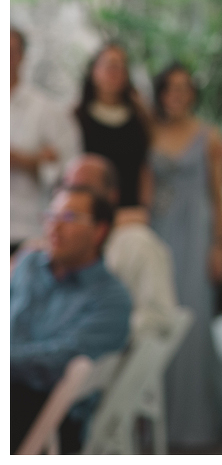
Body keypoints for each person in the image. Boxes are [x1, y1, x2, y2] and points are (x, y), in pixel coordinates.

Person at [149, 62, 222, 448]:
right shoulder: (149, 131)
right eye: (170, 87)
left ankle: (191, 423)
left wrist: (219, 246)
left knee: (192, 319)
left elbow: (218, 196)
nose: (176, 95)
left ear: (192, 94)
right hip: (157, 232)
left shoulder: (209, 136)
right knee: (155, 316)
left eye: (184, 88)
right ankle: (154, 418)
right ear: (161, 93)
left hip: (195, 236)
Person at [10, 185, 132, 454]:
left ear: (99, 231)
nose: (54, 227)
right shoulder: (29, 265)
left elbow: (60, 361)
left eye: (68, 218)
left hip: (49, 415)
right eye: (51, 215)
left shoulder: (111, 299)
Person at [63, 153, 178, 337]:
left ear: (112, 196)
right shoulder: (51, 249)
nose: (72, 199)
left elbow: (160, 317)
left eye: (83, 189)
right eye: (68, 188)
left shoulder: (137, 245)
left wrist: (99, 328)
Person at [10, 27, 82, 255]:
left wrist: (23, 160)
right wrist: (37, 157)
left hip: (24, 228)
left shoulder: (46, 110)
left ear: (22, 56)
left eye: (10, 51)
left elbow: (68, 170)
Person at [74, 43, 153, 209]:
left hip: (130, 212)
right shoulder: (76, 118)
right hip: (87, 212)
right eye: (110, 65)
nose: (115, 72)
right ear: (93, 70)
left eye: (121, 67)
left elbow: (145, 169)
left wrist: (144, 208)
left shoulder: (139, 118)